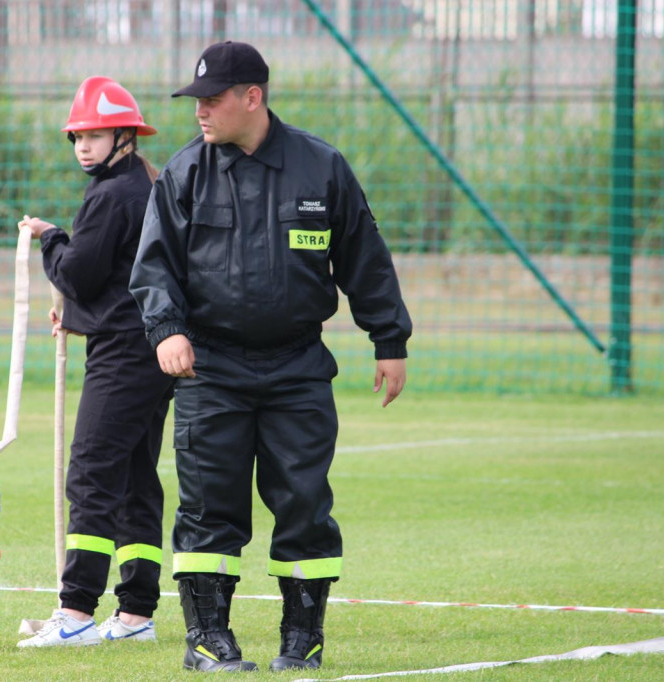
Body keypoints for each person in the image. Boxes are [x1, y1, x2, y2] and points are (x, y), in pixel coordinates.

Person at [129, 41, 412, 672]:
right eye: (196, 100)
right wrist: (167, 330)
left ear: (252, 97)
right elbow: (153, 269)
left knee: (305, 503)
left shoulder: (322, 168)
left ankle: (301, 639)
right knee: (208, 506)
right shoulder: (184, 173)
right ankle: (208, 641)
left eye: (211, 99)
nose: (200, 111)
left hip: (298, 367)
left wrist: (388, 340)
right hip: (211, 367)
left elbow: (365, 258)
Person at [17, 76, 174, 648]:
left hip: (124, 356)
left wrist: (51, 237)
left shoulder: (112, 195)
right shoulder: (141, 185)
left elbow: (80, 271)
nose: (83, 146)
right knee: (135, 480)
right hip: (149, 349)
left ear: (123, 136)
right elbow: (119, 279)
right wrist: (78, 315)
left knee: (90, 473)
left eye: (94, 135)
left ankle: (77, 610)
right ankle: (135, 616)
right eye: (77, 137)